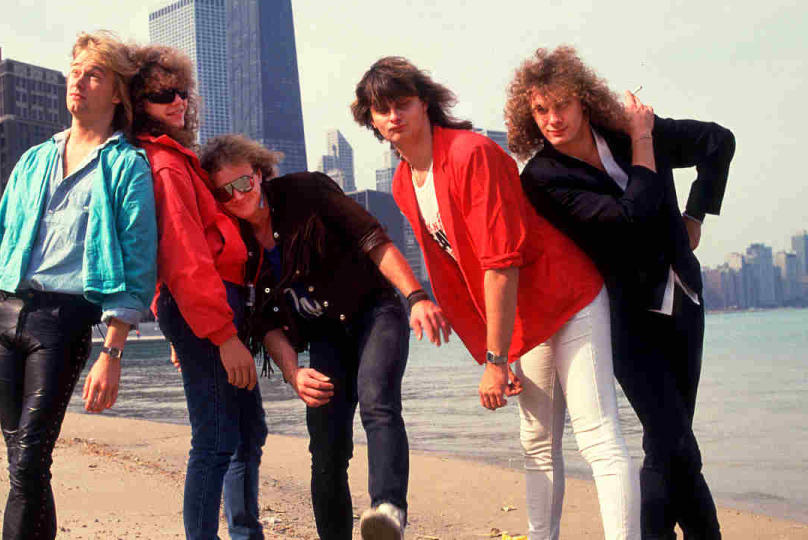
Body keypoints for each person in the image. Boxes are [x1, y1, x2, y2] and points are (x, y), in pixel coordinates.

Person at [352, 56, 639, 539]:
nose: (394, 116)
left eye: (403, 103)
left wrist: (494, 357)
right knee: (537, 442)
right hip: (521, 317)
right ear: (371, 119)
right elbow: (453, 271)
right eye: (382, 109)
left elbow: (500, 261)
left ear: (425, 103)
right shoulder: (405, 182)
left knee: (598, 438)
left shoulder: (470, 153)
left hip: (567, 297)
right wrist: (489, 348)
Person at [506, 46, 734, 540]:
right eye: (540, 110)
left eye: (561, 104)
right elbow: (631, 221)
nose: (551, 119)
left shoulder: (620, 131)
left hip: (683, 301)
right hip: (626, 318)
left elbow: (719, 142)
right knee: (673, 442)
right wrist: (645, 143)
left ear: (584, 101)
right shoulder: (542, 178)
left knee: (670, 445)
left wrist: (695, 215)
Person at [0, 31, 157, 540]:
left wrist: (112, 353)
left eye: (93, 74)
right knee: (24, 464)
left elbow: (137, 267)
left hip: (62, 324)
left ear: (118, 93)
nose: (78, 81)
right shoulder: (33, 160)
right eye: (75, 70)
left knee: (29, 460)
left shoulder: (127, 167)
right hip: (2, 318)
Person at [199, 134, 450, 540]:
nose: (238, 196)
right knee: (326, 449)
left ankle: (388, 510)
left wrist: (417, 297)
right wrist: (294, 373)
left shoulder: (307, 191)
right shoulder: (235, 242)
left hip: (375, 311)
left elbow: (374, 239)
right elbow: (263, 323)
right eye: (224, 192)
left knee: (377, 401)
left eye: (243, 182)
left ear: (260, 174)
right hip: (325, 334)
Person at [129, 45, 266, 540]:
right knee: (214, 441)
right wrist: (220, 334)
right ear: (137, 103)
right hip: (210, 313)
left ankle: (247, 533)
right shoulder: (164, 165)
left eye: (181, 91)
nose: (178, 102)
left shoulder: (181, 160)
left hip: (213, 309)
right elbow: (183, 257)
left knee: (248, 432)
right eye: (162, 95)